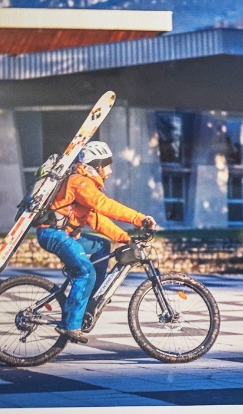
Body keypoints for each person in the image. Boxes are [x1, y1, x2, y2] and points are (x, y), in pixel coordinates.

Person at [35, 141, 155, 344]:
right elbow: (104, 205)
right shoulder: (79, 182)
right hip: (54, 234)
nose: (110, 170)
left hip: (65, 235)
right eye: (107, 165)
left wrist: (125, 238)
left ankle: (88, 299)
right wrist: (138, 218)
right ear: (96, 165)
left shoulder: (85, 185)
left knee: (102, 247)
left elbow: (96, 219)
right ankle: (71, 325)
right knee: (86, 272)